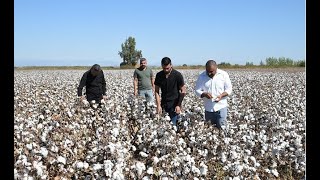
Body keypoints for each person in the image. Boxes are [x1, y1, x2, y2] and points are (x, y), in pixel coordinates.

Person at [195, 60, 232, 130]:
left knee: (223, 129)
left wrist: (221, 95)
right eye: (208, 71)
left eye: (211, 71)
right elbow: (197, 90)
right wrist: (204, 94)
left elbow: (229, 89)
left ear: (216, 68)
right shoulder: (202, 76)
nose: (209, 73)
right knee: (209, 129)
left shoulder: (223, 75)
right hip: (208, 109)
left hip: (221, 107)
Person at [154, 57, 186, 127]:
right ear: (162, 66)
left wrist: (178, 105)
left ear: (171, 65)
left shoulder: (177, 75)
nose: (166, 70)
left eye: (167, 68)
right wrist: (158, 105)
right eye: (164, 68)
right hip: (164, 104)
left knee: (173, 126)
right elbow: (156, 91)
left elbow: (183, 90)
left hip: (174, 104)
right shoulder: (159, 75)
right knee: (163, 126)